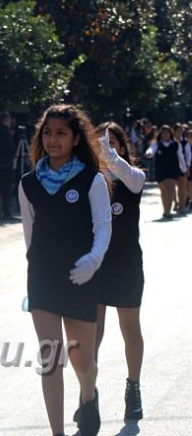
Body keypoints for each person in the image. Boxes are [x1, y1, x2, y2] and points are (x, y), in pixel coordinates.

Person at [18, 105, 112, 436]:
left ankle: (89, 394)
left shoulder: (91, 178)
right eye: (47, 132)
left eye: (61, 133)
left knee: (82, 362)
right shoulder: (28, 184)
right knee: (51, 359)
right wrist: (37, 269)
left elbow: (103, 226)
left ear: (75, 139)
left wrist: (93, 261)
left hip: (81, 276)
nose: (53, 140)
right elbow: (30, 236)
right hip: (43, 279)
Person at [92, 123, 145, 423]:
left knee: (130, 331)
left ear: (122, 148)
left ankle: (133, 387)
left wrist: (111, 158)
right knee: (92, 334)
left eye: (111, 143)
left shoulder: (132, 178)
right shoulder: (90, 180)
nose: (105, 148)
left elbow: (133, 178)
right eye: (100, 143)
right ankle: (89, 393)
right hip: (97, 266)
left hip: (126, 266)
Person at [145, 125, 185, 219]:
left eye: (167, 132)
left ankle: (168, 212)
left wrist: (183, 169)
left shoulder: (176, 144)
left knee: (171, 189)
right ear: (161, 134)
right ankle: (165, 210)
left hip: (172, 170)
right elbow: (151, 150)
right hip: (160, 170)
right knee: (164, 191)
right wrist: (148, 153)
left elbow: (180, 157)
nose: (165, 134)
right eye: (163, 133)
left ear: (170, 134)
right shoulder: (157, 144)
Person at [0, 111, 16, 219]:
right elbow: (10, 147)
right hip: (6, 162)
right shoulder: (5, 132)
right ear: (6, 120)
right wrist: (13, 156)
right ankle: (6, 211)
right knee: (6, 189)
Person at [172, 123, 190, 214]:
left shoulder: (185, 142)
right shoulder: (171, 141)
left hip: (182, 166)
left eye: (181, 131)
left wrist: (187, 166)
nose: (179, 132)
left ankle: (182, 205)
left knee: (182, 187)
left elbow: (188, 154)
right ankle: (175, 202)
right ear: (174, 131)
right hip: (172, 166)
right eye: (177, 130)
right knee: (172, 187)